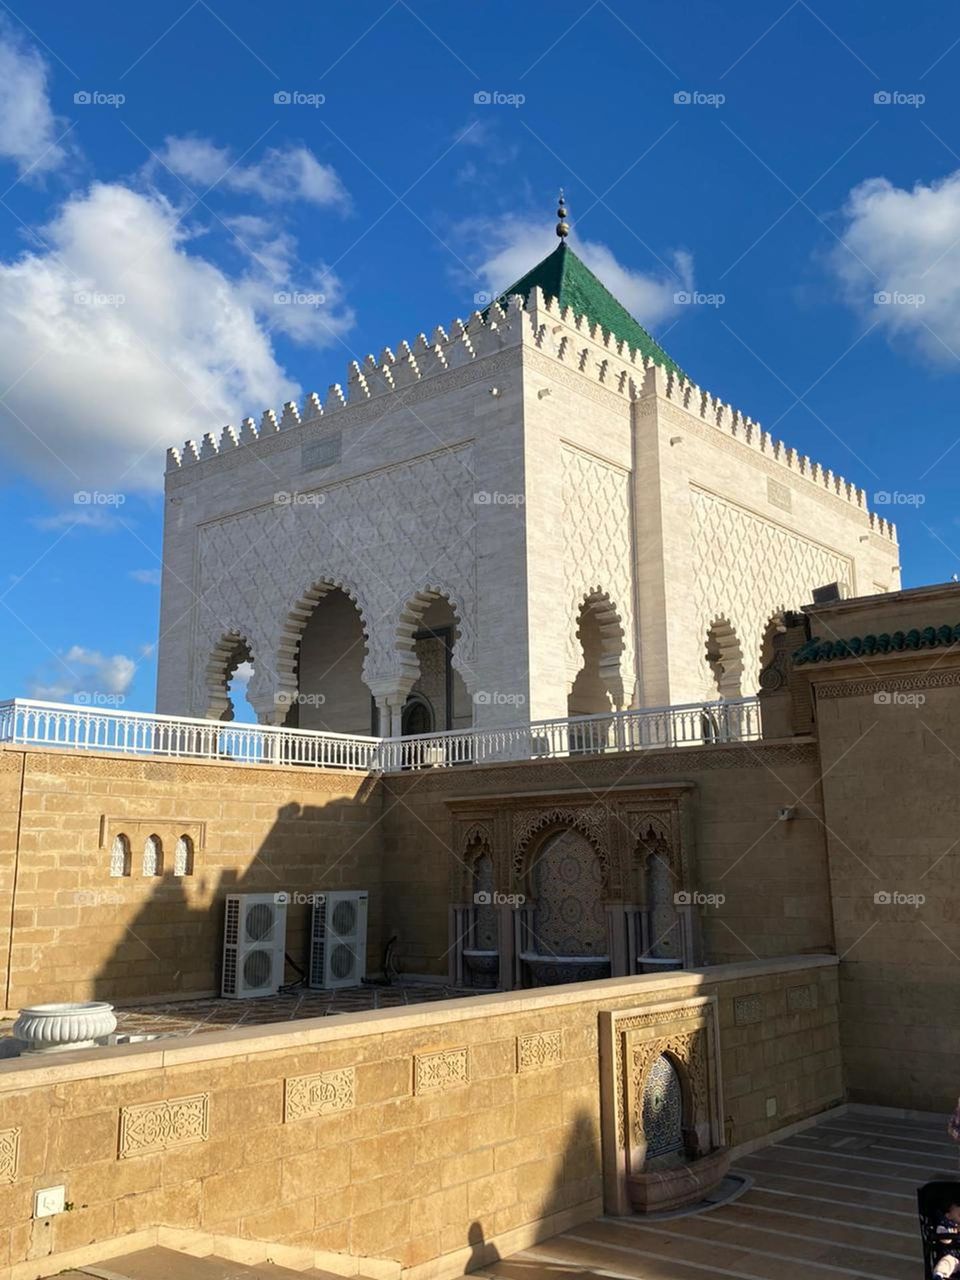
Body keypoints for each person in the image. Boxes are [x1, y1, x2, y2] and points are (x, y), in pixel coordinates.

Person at [934, 1202, 960, 1277]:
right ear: (948, 1215)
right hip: (953, 1257)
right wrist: (953, 1231)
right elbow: (944, 1238)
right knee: (947, 1262)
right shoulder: (946, 1226)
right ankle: (939, 1275)